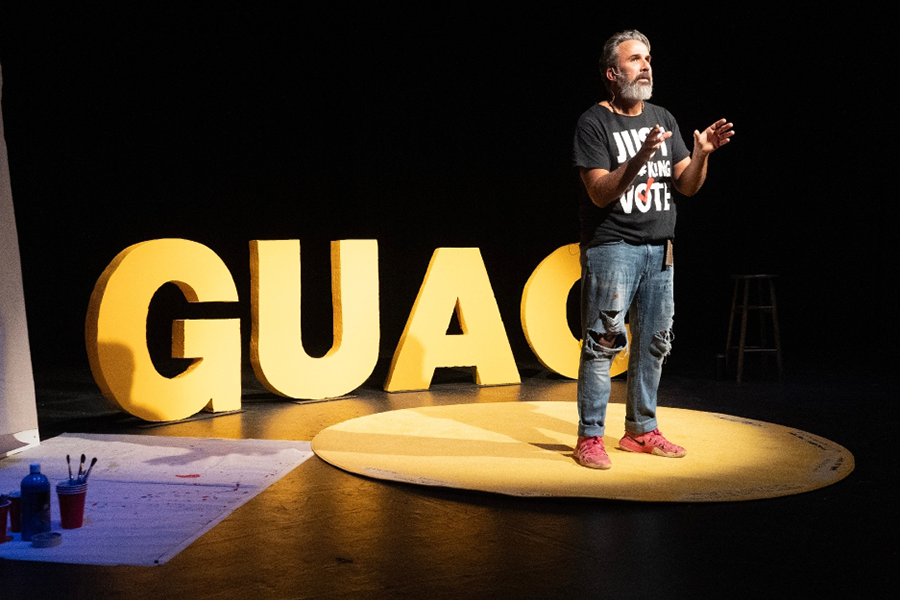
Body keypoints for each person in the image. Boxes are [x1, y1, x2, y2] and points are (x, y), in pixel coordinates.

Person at [571, 29, 733, 469]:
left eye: (648, 58)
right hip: (613, 249)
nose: (645, 65)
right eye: (634, 59)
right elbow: (600, 193)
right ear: (612, 73)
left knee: (655, 343)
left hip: (660, 250)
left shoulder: (663, 116)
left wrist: (701, 155)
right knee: (604, 342)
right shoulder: (593, 122)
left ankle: (641, 430)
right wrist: (640, 157)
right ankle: (589, 436)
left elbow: (687, 185)